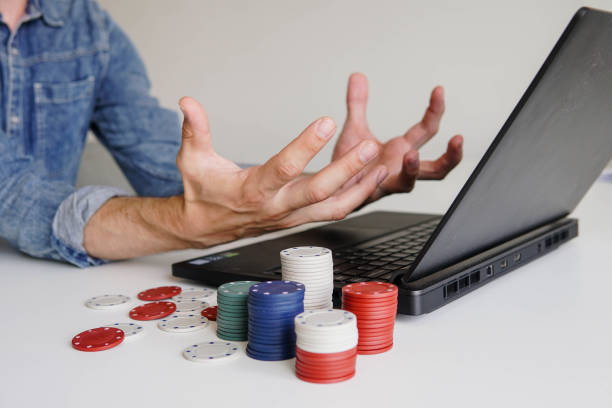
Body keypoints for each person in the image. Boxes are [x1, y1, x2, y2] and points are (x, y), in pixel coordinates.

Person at [0, 0, 463, 267]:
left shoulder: (86, 22)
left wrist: (329, 184)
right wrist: (184, 224)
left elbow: (162, 161)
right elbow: (13, 195)